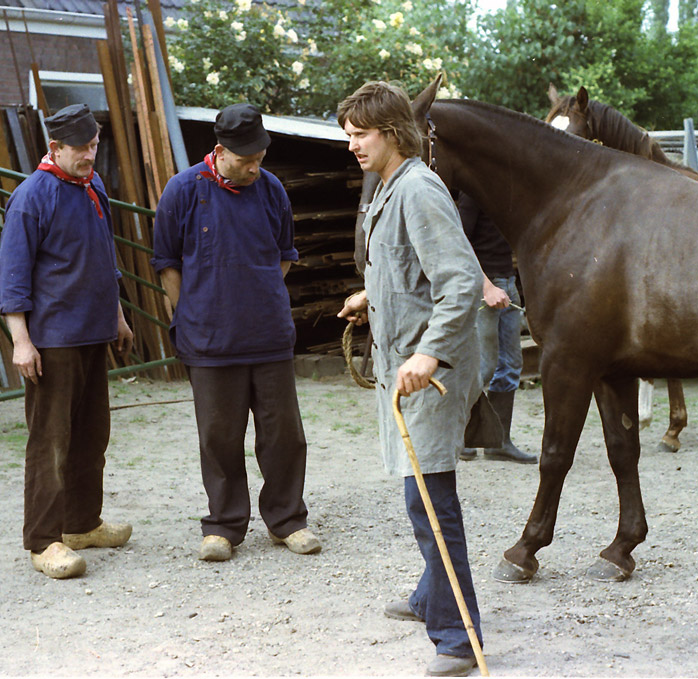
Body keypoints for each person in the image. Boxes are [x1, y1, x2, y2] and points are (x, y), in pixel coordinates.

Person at [336, 82, 484, 677]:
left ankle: (458, 639)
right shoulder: (389, 188)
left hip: (431, 373)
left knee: (430, 501)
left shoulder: (419, 189)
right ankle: (431, 598)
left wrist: (428, 355)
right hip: (402, 365)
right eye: (348, 133)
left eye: (360, 134)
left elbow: (461, 282)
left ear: (392, 132)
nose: (351, 145)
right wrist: (371, 294)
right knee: (416, 491)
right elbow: (410, 267)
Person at [151, 103, 320, 562]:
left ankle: (288, 520)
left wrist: (257, 294)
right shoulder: (183, 191)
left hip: (268, 335)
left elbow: (284, 255)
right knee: (219, 437)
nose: (254, 166)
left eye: (260, 157)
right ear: (220, 151)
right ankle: (223, 526)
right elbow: (167, 263)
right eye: (246, 159)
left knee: (284, 434)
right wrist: (191, 312)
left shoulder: (271, 191)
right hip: (207, 339)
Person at [0, 103, 134, 579]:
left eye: (95, 145)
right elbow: (12, 275)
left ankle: (80, 524)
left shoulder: (92, 186)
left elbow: (103, 257)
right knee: (51, 441)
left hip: (94, 333)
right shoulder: (33, 195)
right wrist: (21, 342)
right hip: (52, 340)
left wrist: (116, 316)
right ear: (55, 147)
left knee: (92, 435)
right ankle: (43, 540)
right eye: (81, 148)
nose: (90, 156)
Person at [457, 192, 536, 464]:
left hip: (508, 282)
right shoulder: (472, 195)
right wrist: (486, 286)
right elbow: (459, 243)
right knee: (485, 366)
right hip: (483, 287)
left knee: (511, 364)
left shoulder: (505, 192)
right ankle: (461, 436)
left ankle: (498, 442)